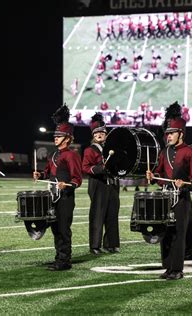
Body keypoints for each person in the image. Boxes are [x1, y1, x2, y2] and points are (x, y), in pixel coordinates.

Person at [146, 101, 192, 280]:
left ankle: (177, 269)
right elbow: (159, 173)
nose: (168, 136)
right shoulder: (164, 152)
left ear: (181, 133)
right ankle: (167, 267)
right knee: (165, 232)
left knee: (178, 233)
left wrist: (184, 183)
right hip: (165, 198)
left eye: (171, 133)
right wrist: (152, 175)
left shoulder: (191, 152)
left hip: (182, 199)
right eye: (167, 133)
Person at [33, 104, 82, 271]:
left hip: (66, 197)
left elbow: (77, 179)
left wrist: (66, 185)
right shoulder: (54, 154)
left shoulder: (72, 155)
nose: (55, 137)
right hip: (52, 196)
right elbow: (48, 172)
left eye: (59, 135)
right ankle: (59, 257)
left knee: (63, 229)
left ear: (67, 138)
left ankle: (64, 260)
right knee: (55, 228)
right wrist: (40, 174)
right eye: (55, 135)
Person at [82, 113, 120, 255]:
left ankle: (112, 244)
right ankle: (95, 246)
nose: (99, 134)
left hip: (113, 184)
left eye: (102, 132)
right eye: (96, 132)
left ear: (106, 134)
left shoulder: (112, 148)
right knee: (98, 215)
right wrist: (100, 168)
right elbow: (85, 167)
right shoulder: (90, 150)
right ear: (93, 135)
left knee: (112, 214)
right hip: (98, 184)